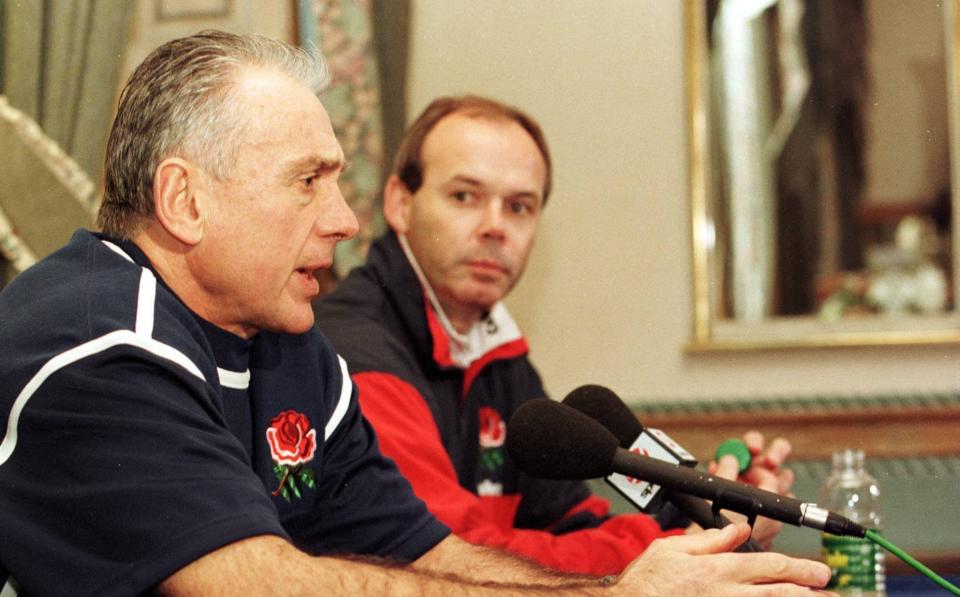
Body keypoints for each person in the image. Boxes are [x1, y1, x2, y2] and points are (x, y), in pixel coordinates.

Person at [0, 31, 832, 597]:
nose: (342, 219)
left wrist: (631, 582)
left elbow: (434, 557)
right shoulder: (98, 339)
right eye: (307, 181)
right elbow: (253, 581)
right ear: (184, 199)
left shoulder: (292, 349)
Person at [313, 96, 798, 576]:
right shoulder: (356, 354)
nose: (495, 227)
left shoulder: (495, 350)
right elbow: (448, 557)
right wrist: (684, 544)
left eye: (520, 206)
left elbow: (567, 521)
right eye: (465, 196)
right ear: (400, 203)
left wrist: (713, 507)